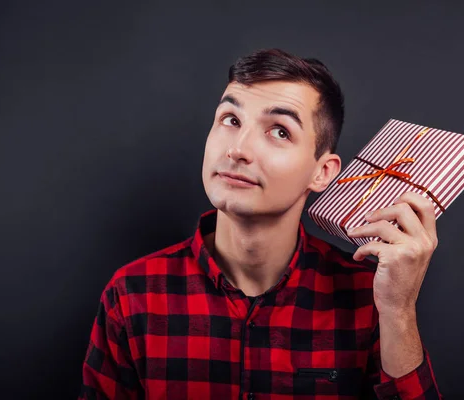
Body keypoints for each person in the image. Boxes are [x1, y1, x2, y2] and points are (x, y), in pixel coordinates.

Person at [78, 48, 443, 399]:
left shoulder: (369, 299)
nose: (238, 149)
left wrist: (398, 311)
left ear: (322, 172)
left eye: (279, 131)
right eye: (231, 120)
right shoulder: (131, 295)